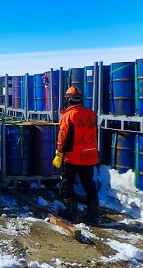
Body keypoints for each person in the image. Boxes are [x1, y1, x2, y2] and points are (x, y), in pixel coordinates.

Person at [52, 85, 100, 224]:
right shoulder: (91, 114)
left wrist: (59, 153)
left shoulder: (68, 115)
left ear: (68, 99)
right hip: (89, 156)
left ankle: (70, 212)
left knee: (66, 184)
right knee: (88, 184)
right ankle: (94, 214)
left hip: (73, 156)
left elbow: (63, 137)